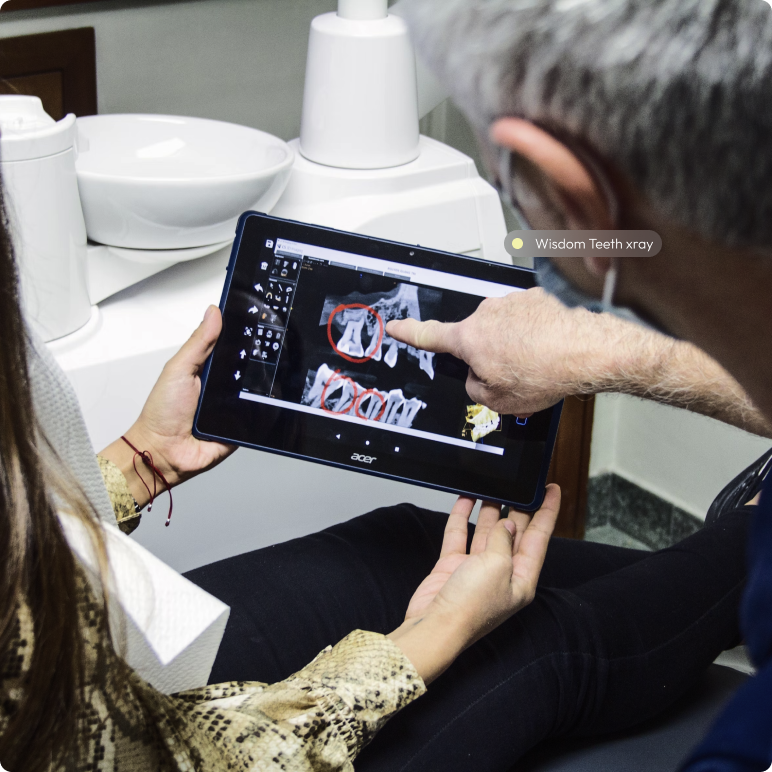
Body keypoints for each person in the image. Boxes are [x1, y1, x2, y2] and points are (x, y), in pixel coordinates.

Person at [0, 4, 768, 772]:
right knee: (542, 642)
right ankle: (748, 550)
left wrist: (136, 464)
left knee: (404, 537)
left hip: (77, 644)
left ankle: (721, 570)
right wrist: (427, 638)